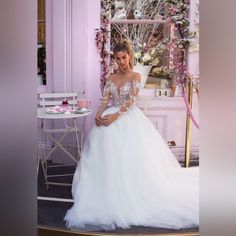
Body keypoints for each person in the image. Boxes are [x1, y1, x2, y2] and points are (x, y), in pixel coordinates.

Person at [64, 40, 199, 231]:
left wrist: (115, 116)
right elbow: (105, 99)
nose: (121, 62)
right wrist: (99, 113)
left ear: (129, 55)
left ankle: (130, 190)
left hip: (127, 117)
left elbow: (131, 100)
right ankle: (106, 188)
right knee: (103, 151)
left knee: (129, 157)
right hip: (109, 115)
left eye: (124, 57)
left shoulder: (135, 76)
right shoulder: (111, 77)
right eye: (118, 59)